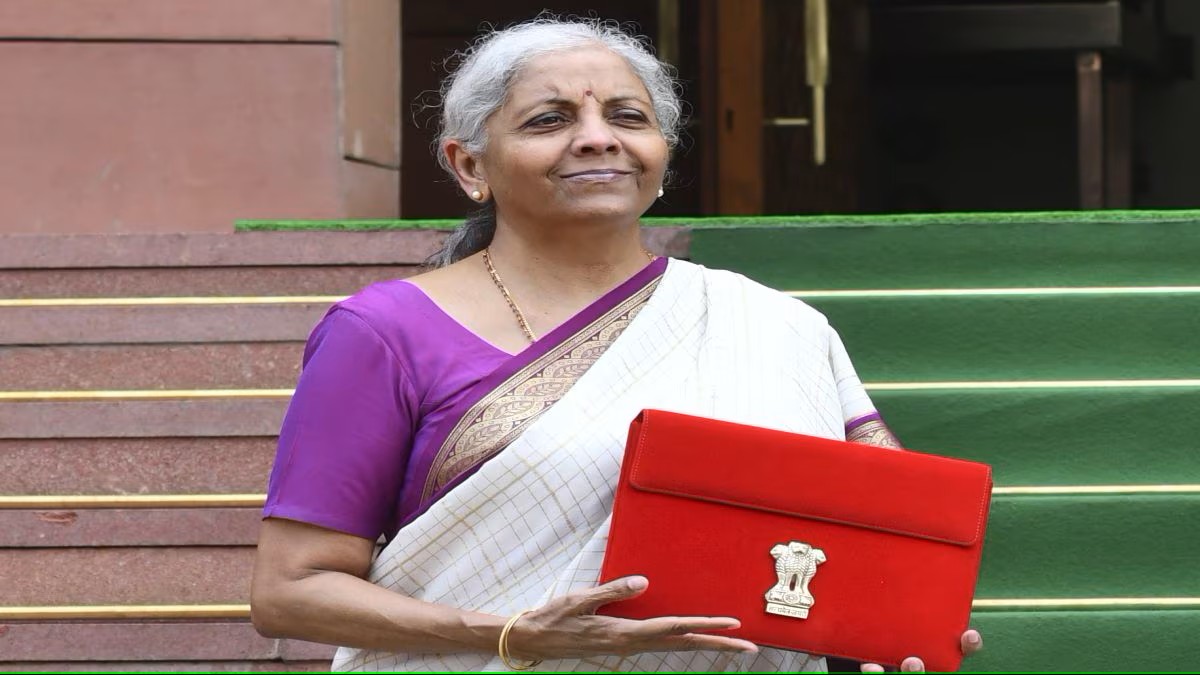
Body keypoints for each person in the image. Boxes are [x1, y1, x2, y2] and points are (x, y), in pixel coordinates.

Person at [250, 16, 983, 673]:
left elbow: (877, 537)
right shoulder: (386, 333)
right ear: (470, 165)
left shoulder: (779, 325)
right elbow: (291, 589)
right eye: (549, 119)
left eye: (628, 116)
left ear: (661, 151)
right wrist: (511, 633)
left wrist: (896, 619)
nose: (599, 137)